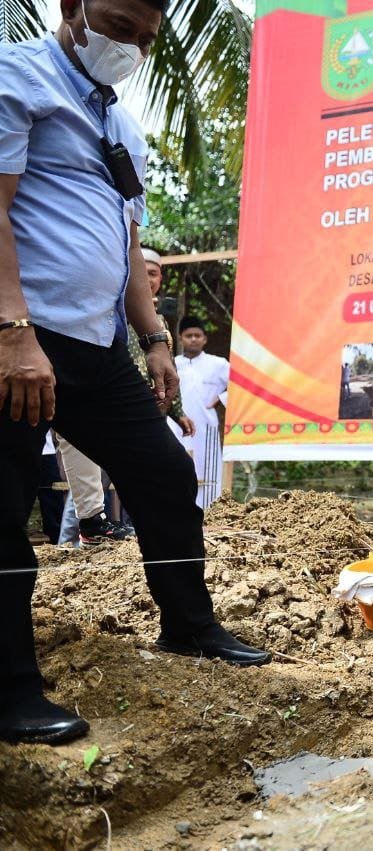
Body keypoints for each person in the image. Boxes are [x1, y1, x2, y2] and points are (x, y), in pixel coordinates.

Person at [0, 0, 269, 746]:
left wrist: (153, 338)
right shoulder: (15, 79)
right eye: (118, 27)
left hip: (96, 347)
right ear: (73, 8)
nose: (131, 47)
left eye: (145, 38)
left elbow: (127, 244)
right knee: (3, 511)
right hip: (20, 341)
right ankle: (12, 690)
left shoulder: (122, 127)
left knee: (161, 472)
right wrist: (14, 332)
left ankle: (189, 623)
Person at [57, 246, 194, 545]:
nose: (148, 277)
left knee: (152, 473)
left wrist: (176, 410)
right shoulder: (102, 305)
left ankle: (117, 529)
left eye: (153, 273)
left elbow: (166, 365)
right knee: (82, 460)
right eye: (141, 271)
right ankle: (78, 535)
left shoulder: (159, 323)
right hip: (97, 389)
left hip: (138, 404)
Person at [175, 316, 229, 508]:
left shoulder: (218, 364)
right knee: (176, 471)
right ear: (180, 338)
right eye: (189, 335)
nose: (194, 339)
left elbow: (241, 386)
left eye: (198, 335)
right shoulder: (173, 364)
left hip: (207, 428)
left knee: (208, 471)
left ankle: (210, 516)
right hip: (176, 428)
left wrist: (220, 399)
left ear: (205, 339)